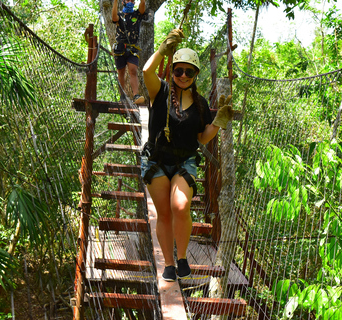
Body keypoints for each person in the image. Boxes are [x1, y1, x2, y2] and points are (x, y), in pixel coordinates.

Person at [141, 29, 233, 281]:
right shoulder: (159, 92)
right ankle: (168, 264)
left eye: (188, 71)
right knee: (164, 212)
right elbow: (147, 72)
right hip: (156, 160)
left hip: (185, 161)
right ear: (172, 71)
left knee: (180, 206)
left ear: (195, 75)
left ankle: (182, 257)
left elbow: (202, 137)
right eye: (178, 70)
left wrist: (219, 122)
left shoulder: (201, 104)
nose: (183, 75)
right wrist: (163, 48)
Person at [112, 0, 146, 105]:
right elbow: (114, 18)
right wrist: (115, 2)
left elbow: (142, 6)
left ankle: (136, 95)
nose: (130, 2)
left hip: (132, 48)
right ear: (123, 2)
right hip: (120, 48)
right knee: (121, 72)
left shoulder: (137, 14)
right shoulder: (120, 15)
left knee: (133, 70)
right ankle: (122, 96)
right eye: (128, 0)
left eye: (132, 0)